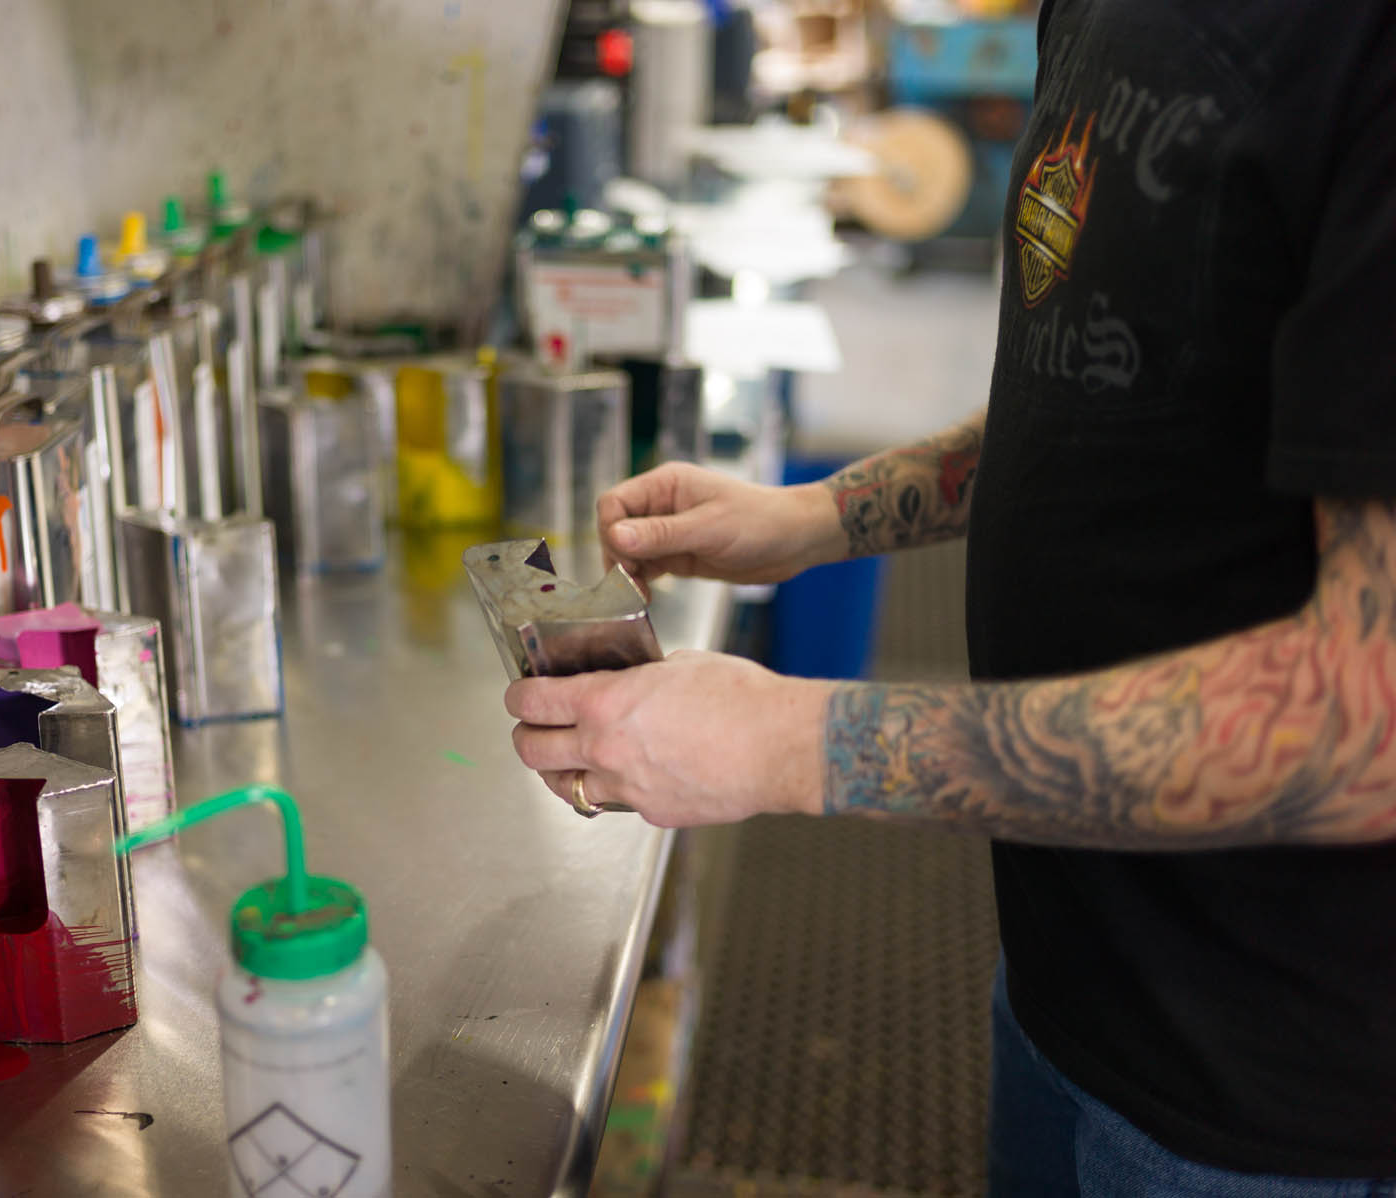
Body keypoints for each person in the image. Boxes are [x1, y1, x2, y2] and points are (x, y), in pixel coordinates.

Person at [504, 1, 1396, 1193]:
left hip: (1269, 1101)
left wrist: (795, 742)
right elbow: (1112, 385)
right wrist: (819, 516)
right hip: (1063, 976)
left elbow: (1367, 718)